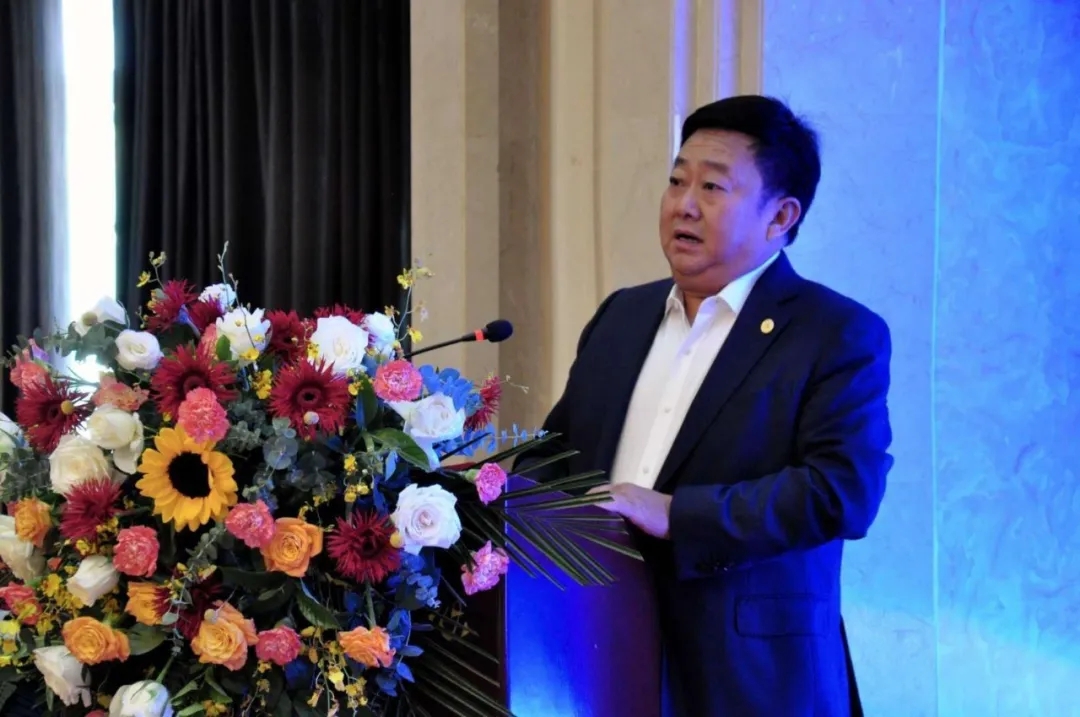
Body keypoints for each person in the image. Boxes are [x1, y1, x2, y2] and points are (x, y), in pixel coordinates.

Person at [519, 95, 892, 716]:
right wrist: (485, 489)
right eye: (676, 181)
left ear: (781, 216)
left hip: (750, 682)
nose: (683, 205)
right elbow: (558, 458)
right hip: (597, 657)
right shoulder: (622, 315)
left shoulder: (833, 333)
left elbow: (841, 492)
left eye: (712, 187)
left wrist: (677, 514)